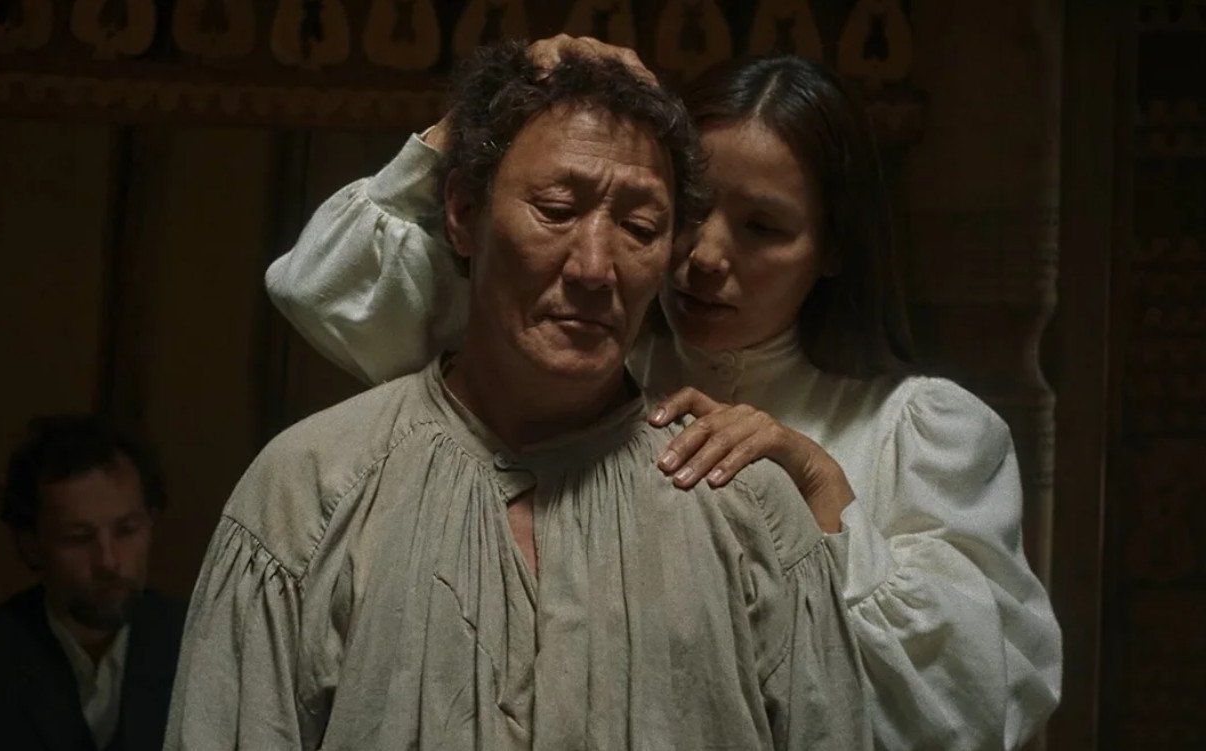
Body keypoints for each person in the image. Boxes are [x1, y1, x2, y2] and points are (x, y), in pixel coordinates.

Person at [265, 36, 1063, 750]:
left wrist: (821, 486)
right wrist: (496, 114)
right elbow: (322, 283)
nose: (707, 255)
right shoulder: (575, 359)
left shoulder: (917, 430)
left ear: (833, 248)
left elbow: (970, 712)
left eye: (763, 228)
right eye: (693, 210)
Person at [166, 42, 869, 749]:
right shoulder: (308, 492)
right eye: (556, 210)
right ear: (463, 212)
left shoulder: (748, 512)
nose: (594, 267)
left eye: (640, 229)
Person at [0, 415, 186, 751]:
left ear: (151, 524)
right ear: (31, 544)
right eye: (78, 538)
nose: (108, 561)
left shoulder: (206, 651)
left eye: (127, 531)